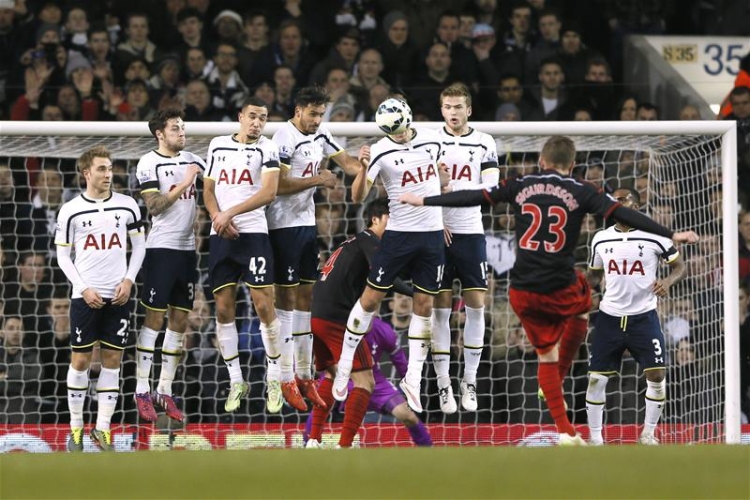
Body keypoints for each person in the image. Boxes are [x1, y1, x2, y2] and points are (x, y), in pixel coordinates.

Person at [399, 135, 699, 444]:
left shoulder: (519, 183)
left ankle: (566, 430)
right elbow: (623, 214)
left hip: (522, 290)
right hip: (560, 284)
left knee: (545, 355)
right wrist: (671, 233)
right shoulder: (581, 189)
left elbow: (474, 196)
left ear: (541, 162)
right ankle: (561, 375)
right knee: (584, 298)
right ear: (572, 164)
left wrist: (425, 200)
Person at [334, 97, 446, 414]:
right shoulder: (380, 150)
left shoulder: (433, 140)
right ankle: (344, 365)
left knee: (425, 305)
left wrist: (444, 186)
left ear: (408, 118)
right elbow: (357, 196)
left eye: (399, 128)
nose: (396, 134)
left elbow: (442, 179)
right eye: (390, 131)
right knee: (370, 299)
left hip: (432, 234)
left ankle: (413, 379)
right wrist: (363, 167)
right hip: (398, 235)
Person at [266, 86, 364, 411]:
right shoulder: (283, 138)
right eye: (312, 114)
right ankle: (282, 377)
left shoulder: (322, 133)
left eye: (321, 114)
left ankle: (305, 375)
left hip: (306, 224)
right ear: (298, 111)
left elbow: (347, 163)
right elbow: (278, 185)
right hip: (281, 225)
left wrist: (368, 167)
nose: (317, 120)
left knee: (307, 299)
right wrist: (317, 180)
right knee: (285, 300)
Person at [306, 198, 428, 448]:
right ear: (375, 219)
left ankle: (313, 440)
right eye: (392, 219)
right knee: (366, 382)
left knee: (332, 376)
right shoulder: (371, 241)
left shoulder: (353, 243)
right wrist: (416, 292)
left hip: (317, 315)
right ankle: (344, 445)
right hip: (337, 318)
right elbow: (384, 277)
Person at [203, 96, 291, 414]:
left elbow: (269, 192)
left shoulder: (267, 148)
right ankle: (236, 380)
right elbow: (208, 190)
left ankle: (274, 378)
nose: (257, 123)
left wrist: (230, 214)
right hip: (221, 235)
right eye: (252, 116)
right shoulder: (217, 145)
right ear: (240, 116)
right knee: (223, 308)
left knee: (264, 305)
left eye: (262, 118)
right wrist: (218, 217)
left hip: (253, 233)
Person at [55, 145, 146, 451]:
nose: (108, 174)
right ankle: (76, 428)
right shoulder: (70, 209)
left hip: (118, 296)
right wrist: (83, 288)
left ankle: (103, 428)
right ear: (86, 173)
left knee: (113, 361)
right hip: (85, 296)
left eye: (110, 168)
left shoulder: (128, 205)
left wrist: (129, 280)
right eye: (102, 169)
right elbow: (62, 256)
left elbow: (139, 247)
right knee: (80, 360)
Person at [585, 188, 686, 445]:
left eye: (623, 199)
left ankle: (648, 434)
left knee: (657, 376)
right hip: (609, 317)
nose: (617, 203)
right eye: (614, 200)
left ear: (636, 206)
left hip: (643, 317)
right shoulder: (600, 238)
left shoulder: (656, 236)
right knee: (596, 380)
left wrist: (668, 281)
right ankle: (595, 440)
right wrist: (579, 288)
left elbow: (679, 266)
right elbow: (594, 275)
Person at [133, 108, 204, 423]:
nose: (181, 131)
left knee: (179, 322)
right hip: (161, 249)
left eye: (182, 127)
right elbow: (155, 206)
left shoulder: (193, 159)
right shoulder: (149, 162)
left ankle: (165, 389)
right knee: (154, 320)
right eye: (175, 128)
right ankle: (141, 389)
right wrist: (185, 182)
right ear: (160, 133)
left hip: (187, 251)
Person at [432, 83, 499, 414]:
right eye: (448, 107)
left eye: (458, 106)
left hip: (471, 231)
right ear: (441, 110)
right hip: (438, 233)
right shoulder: (430, 141)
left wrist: (453, 191)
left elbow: (491, 187)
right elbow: (419, 184)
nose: (453, 112)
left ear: (469, 110)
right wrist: (436, 216)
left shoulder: (484, 141)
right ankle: (444, 383)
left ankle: (469, 381)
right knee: (440, 309)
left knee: (475, 305)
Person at [304, 317, 433, 448]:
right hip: (340, 375)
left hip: (373, 379)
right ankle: (308, 444)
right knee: (321, 406)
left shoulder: (383, 330)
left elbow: (400, 361)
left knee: (407, 415)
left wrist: (411, 386)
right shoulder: (338, 326)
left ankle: (428, 450)